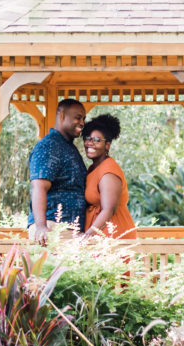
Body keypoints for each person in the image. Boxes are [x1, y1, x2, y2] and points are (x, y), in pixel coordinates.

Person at [28, 98, 88, 242]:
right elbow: (39, 187)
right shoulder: (49, 146)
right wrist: (41, 227)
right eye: (78, 118)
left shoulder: (68, 147)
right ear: (61, 115)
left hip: (67, 230)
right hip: (51, 229)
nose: (82, 123)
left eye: (83, 119)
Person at [81, 114, 136, 239]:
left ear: (107, 145)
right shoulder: (94, 168)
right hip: (99, 235)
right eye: (87, 138)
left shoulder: (108, 171)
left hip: (113, 235)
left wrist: (86, 237)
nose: (90, 143)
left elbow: (108, 210)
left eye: (97, 140)